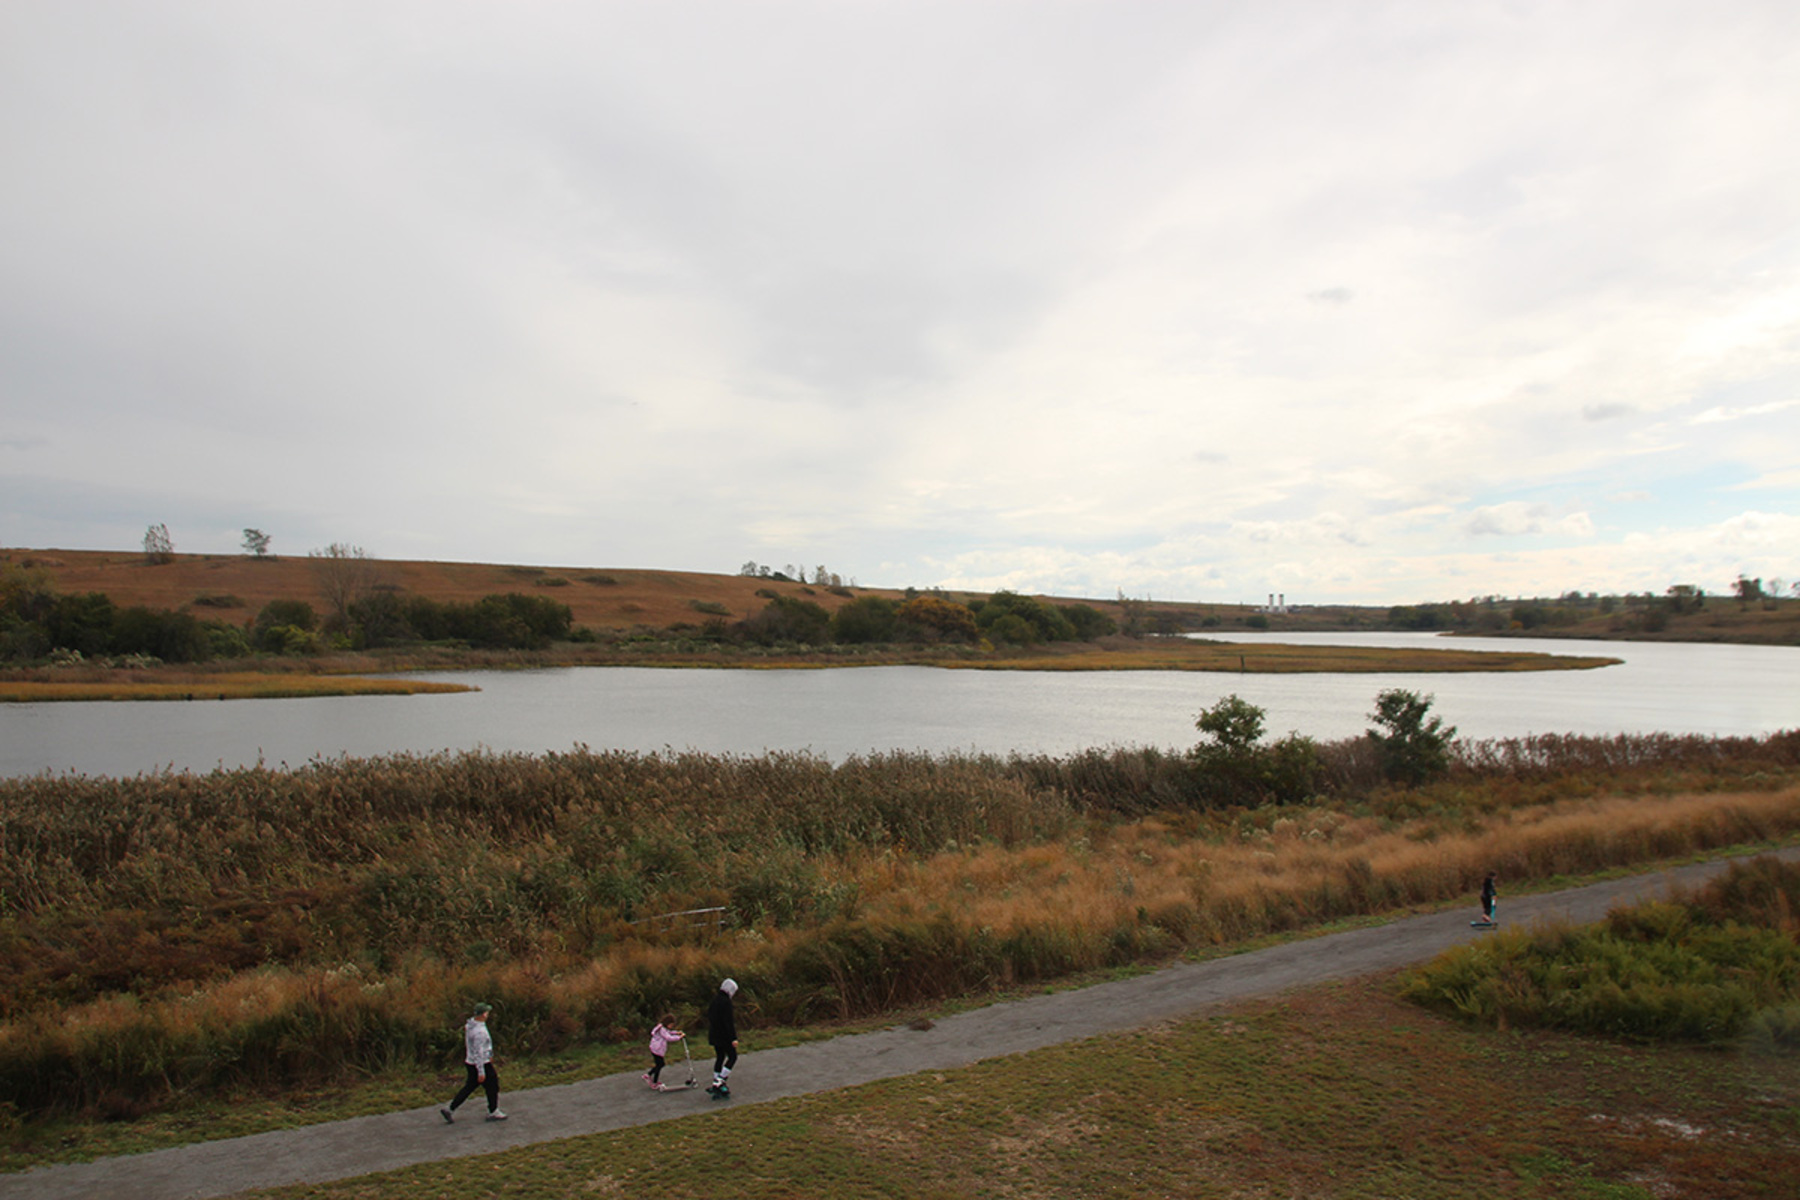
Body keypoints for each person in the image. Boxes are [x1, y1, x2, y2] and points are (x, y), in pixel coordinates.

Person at [440, 1002, 506, 1122]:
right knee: (493, 1086)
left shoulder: (472, 1025)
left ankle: (450, 1109)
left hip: (470, 1062)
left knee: (469, 1087)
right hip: (481, 1063)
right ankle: (493, 1111)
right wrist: (481, 1072)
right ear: (484, 1014)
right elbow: (479, 1052)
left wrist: (489, 1054)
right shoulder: (479, 1032)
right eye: (487, 1012)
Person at [706, 978, 739, 1099]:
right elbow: (728, 1022)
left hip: (714, 1034)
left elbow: (709, 1015)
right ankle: (720, 1081)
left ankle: (716, 1080)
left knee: (720, 1057)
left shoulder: (714, 1000)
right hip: (724, 1036)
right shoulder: (726, 1002)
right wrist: (733, 1038)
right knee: (732, 1057)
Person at [644, 1013, 685, 1090]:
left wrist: (676, 1032)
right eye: (671, 1025)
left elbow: (669, 1032)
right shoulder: (662, 1029)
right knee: (660, 1064)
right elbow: (668, 1037)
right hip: (657, 1049)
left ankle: (650, 1077)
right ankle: (652, 1080)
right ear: (668, 1023)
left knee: (659, 1064)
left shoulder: (663, 1028)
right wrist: (679, 1037)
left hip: (656, 1048)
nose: (671, 1026)